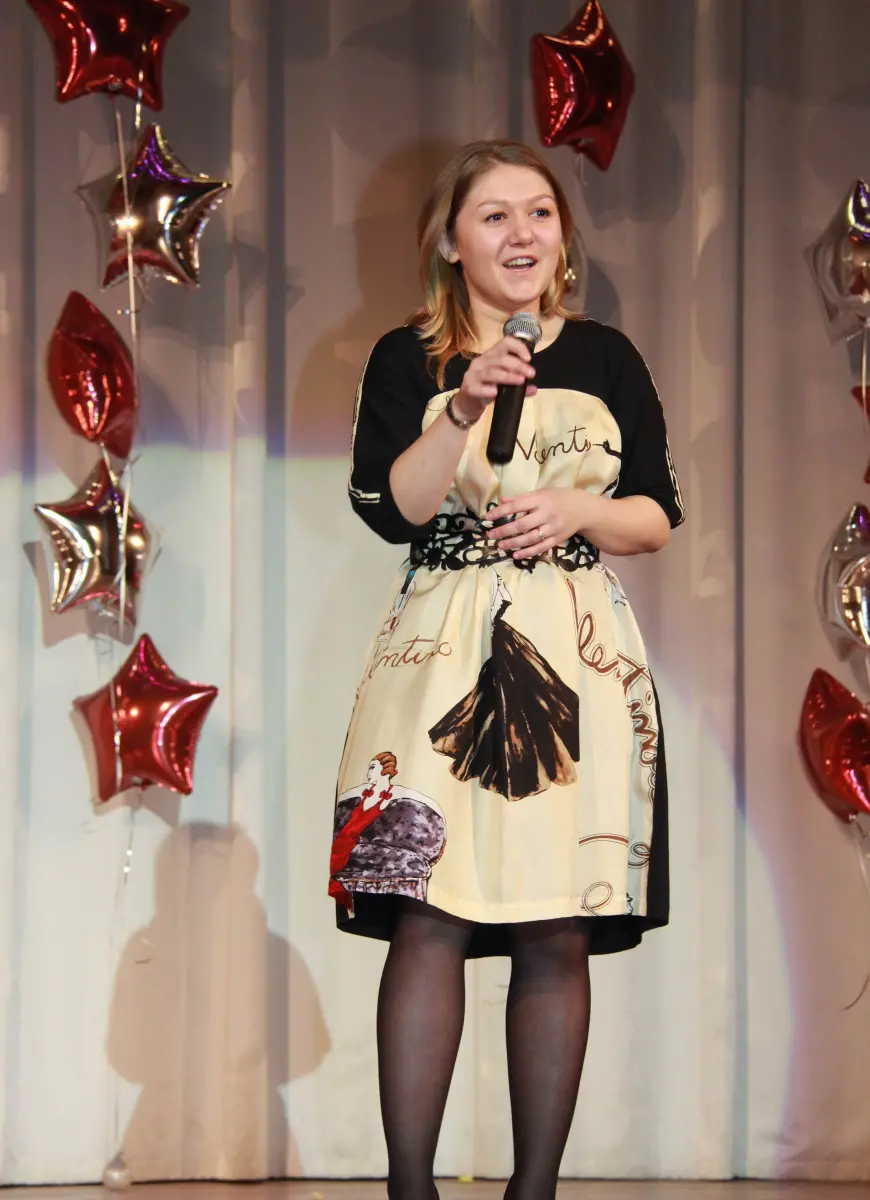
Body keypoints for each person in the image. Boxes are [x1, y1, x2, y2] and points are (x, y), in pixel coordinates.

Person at [329, 139, 684, 1200]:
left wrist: (577, 508)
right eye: (494, 216)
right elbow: (392, 507)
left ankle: (536, 1192)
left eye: (539, 213)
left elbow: (655, 514)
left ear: (562, 239)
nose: (522, 233)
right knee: (429, 909)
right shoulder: (408, 356)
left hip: (575, 649)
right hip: (441, 647)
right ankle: (410, 1188)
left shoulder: (608, 356)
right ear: (451, 243)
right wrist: (462, 405)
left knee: (555, 919)